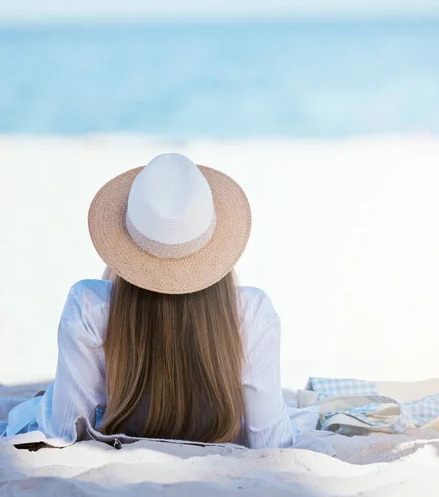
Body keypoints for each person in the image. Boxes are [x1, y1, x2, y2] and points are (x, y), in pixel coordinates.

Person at [4, 153, 295, 449]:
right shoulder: (253, 312)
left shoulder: (90, 305)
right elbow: (272, 443)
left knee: (34, 406)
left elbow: (65, 430)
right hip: (219, 441)